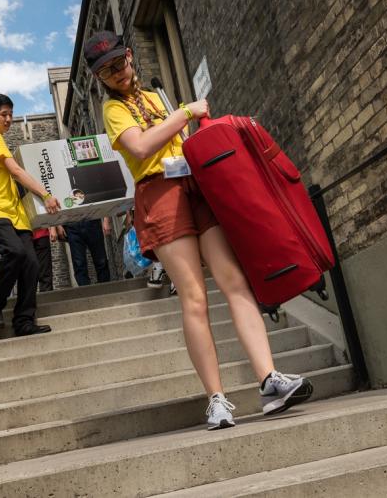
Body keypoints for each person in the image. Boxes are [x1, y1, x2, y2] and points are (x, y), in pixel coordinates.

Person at [87, 31, 312, 430]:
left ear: (130, 57)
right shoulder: (113, 110)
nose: (117, 74)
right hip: (160, 193)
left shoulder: (156, 98)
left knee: (235, 282)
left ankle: (269, 381)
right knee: (193, 297)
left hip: (196, 185)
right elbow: (141, 148)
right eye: (106, 72)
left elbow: (183, 141)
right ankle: (217, 399)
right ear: (99, 78)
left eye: (119, 64)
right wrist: (185, 113)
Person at [0, 93, 61, 336]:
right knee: (15, 252)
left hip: (17, 215)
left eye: (11, 114)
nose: (9, 119)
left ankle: (24, 322)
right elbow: (15, 171)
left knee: (32, 264)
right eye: (4, 115)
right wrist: (45, 195)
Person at [64, 217, 111, 286]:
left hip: (92, 220)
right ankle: (86, 293)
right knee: (79, 264)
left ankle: (106, 289)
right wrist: (58, 226)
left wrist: (106, 219)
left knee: (101, 261)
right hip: (71, 224)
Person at [33, 226, 63, 292]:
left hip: (41, 233)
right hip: (22, 234)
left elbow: (50, 215)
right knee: (27, 272)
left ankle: (47, 297)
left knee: (45, 270)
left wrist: (53, 227)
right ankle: (28, 300)